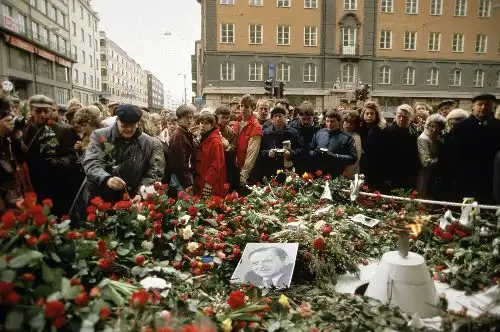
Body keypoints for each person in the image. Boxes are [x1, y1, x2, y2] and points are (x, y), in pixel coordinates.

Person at [82, 104, 159, 205]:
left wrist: (141, 193)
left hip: (131, 199)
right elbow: (91, 163)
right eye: (124, 125)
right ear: (117, 120)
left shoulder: (147, 142)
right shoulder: (101, 136)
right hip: (101, 199)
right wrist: (107, 179)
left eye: (133, 125)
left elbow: (151, 171)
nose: (129, 129)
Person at [24, 95, 77, 216]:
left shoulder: (63, 130)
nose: (43, 115)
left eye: (46, 111)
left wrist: (60, 162)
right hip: (32, 184)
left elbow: (72, 155)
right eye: (38, 111)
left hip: (55, 184)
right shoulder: (23, 130)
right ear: (31, 110)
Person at [450, 93, 500, 203]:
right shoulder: (460, 127)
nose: (483, 107)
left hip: (492, 180)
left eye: (487, 105)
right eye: (480, 104)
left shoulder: (497, 126)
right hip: (468, 181)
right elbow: (454, 157)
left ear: (493, 106)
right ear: (473, 106)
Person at [310, 108, 357, 178]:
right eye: (327, 121)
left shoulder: (347, 137)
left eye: (332, 121)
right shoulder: (319, 133)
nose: (329, 124)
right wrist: (315, 153)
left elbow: (353, 158)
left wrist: (335, 156)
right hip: (318, 175)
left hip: (336, 176)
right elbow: (310, 150)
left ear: (339, 121)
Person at [383, 104, 420, 192]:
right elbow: (383, 155)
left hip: (408, 174)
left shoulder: (415, 133)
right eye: (399, 116)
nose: (401, 119)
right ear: (395, 116)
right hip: (391, 174)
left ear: (411, 118)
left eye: (405, 117)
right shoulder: (387, 132)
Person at [259, 107, 302, 180]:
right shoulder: (265, 133)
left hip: (288, 169)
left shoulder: (293, 132)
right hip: (270, 169)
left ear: (285, 117)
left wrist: (291, 153)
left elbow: (301, 150)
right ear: (271, 119)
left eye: (280, 116)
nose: (277, 118)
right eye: (275, 116)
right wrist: (268, 153)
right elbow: (259, 151)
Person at [232, 94, 263, 189]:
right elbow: (233, 145)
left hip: (249, 171)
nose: (243, 109)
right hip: (236, 167)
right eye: (241, 106)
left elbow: (252, 153)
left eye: (246, 106)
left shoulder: (255, 126)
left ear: (252, 108)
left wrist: (244, 173)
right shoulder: (237, 123)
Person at [195, 112, 226, 197]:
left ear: (212, 125)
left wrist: (209, 182)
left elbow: (216, 164)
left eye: (206, 123)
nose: (202, 126)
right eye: (201, 123)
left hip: (211, 183)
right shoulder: (204, 137)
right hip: (202, 180)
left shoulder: (215, 141)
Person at [416, 114, 446, 198]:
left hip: (435, 176)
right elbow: (426, 162)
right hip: (425, 176)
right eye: (432, 126)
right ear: (428, 125)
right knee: (424, 202)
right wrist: (442, 159)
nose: (434, 129)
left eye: (438, 127)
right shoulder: (423, 138)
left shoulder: (436, 138)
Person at [168, 105, 196, 193]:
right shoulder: (178, 136)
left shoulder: (185, 132)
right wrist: (187, 183)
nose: (190, 120)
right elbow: (179, 163)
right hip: (180, 179)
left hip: (184, 176)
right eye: (187, 118)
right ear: (179, 119)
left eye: (191, 117)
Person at [359, 101, 385, 189]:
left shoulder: (379, 131)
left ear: (376, 116)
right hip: (361, 164)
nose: (369, 116)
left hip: (374, 166)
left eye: (372, 114)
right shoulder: (360, 129)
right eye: (367, 113)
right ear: (363, 115)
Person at [291, 101, 321, 174]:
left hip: (314, 165)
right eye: (303, 119)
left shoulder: (319, 128)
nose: (306, 122)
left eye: (308, 119)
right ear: (299, 116)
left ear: (313, 117)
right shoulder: (292, 128)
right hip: (298, 164)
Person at [215, 105, 237, 191]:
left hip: (226, 163)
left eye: (227, 118)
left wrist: (227, 147)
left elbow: (234, 149)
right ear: (216, 117)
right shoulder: (210, 129)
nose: (225, 120)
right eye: (222, 117)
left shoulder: (231, 132)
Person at [342, 110, 362, 179]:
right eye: (346, 122)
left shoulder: (356, 137)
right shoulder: (338, 133)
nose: (348, 125)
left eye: (351, 123)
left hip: (352, 172)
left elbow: (358, 156)